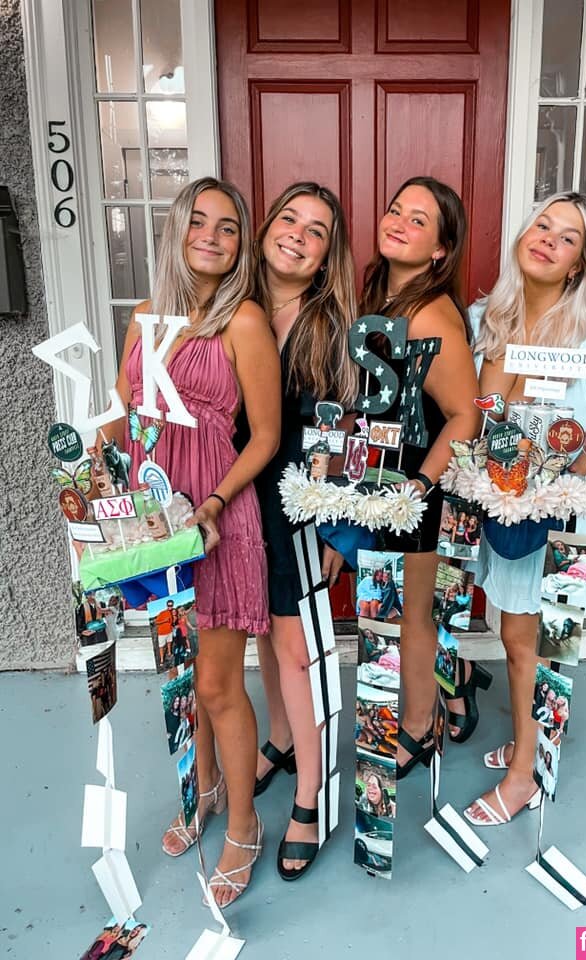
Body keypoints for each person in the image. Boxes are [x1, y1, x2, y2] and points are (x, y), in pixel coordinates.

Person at [105, 177, 281, 906]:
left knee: (216, 683)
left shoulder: (243, 321)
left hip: (216, 513)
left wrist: (210, 504)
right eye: (198, 221)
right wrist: (86, 468)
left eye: (228, 227)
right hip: (152, 517)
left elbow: (265, 435)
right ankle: (201, 788)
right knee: (181, 670)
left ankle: (244, 826)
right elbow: (124, 412)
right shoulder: (144, 318)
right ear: (176, 231)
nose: (211, 236)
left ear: (240, 245)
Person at [463, 191, 586, 826]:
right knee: (515, 634)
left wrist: (575, 470)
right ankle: (531, 745)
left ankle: (524, 777)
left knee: (534, 640)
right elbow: (479, 416)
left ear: (578, 265)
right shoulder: (483, 318)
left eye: (567, 238)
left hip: (566, 507)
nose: (548, 240)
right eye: (542, 226)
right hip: (504, 502)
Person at [239, 182, 358, 880]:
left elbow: (345, 434)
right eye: (289, 219)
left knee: (295, 648)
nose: (298, 234)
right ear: (264, 230)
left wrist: (334, 529)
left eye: (317, 231)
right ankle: (280, 739)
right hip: (235, 499)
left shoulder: (330, 327)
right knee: (260, 630)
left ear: (325, 257)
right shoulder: (234, 306)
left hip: (296, 508)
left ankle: (310, 795)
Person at [358, 176, 482, 776]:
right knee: (390, 606)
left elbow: (465, 415)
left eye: (418, 219)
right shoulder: (379, 293)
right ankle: (457, 678)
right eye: (395, 209)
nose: (398, 222)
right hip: (381, 477)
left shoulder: (431, 313)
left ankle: (417, 725)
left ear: (440, 249)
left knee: (410, 612)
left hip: (418, 483)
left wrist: (421, 485)